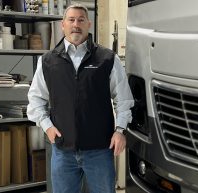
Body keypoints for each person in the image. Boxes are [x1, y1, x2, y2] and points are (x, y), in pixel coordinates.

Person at [27, 4, 134, 193]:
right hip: (62, 152)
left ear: (88, 24)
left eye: (81, 20)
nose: (76, 24)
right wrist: (47, 126)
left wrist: (120, 130)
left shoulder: (107, 59)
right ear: (63, 24)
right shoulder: (48, 61)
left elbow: (124, 99)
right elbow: (35, 99)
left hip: (99, 150)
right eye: (71, 20)